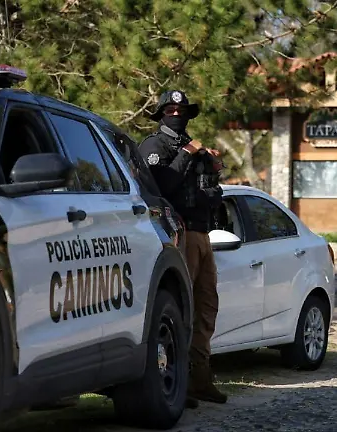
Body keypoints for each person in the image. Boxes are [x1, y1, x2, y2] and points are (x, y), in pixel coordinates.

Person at [138, 90, 227, 407]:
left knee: (205, 308)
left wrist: (213, 167)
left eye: (182, 109)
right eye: (172, 109)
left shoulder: (196, 148)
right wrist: (188, 153)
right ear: (162, 113)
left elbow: (213, 190)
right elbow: (161, 186)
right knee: (181, 309)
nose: (178, 114)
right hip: (177, 233)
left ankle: (201, 381)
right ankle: (177, 384)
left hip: (202, 233)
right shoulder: (153, 147)